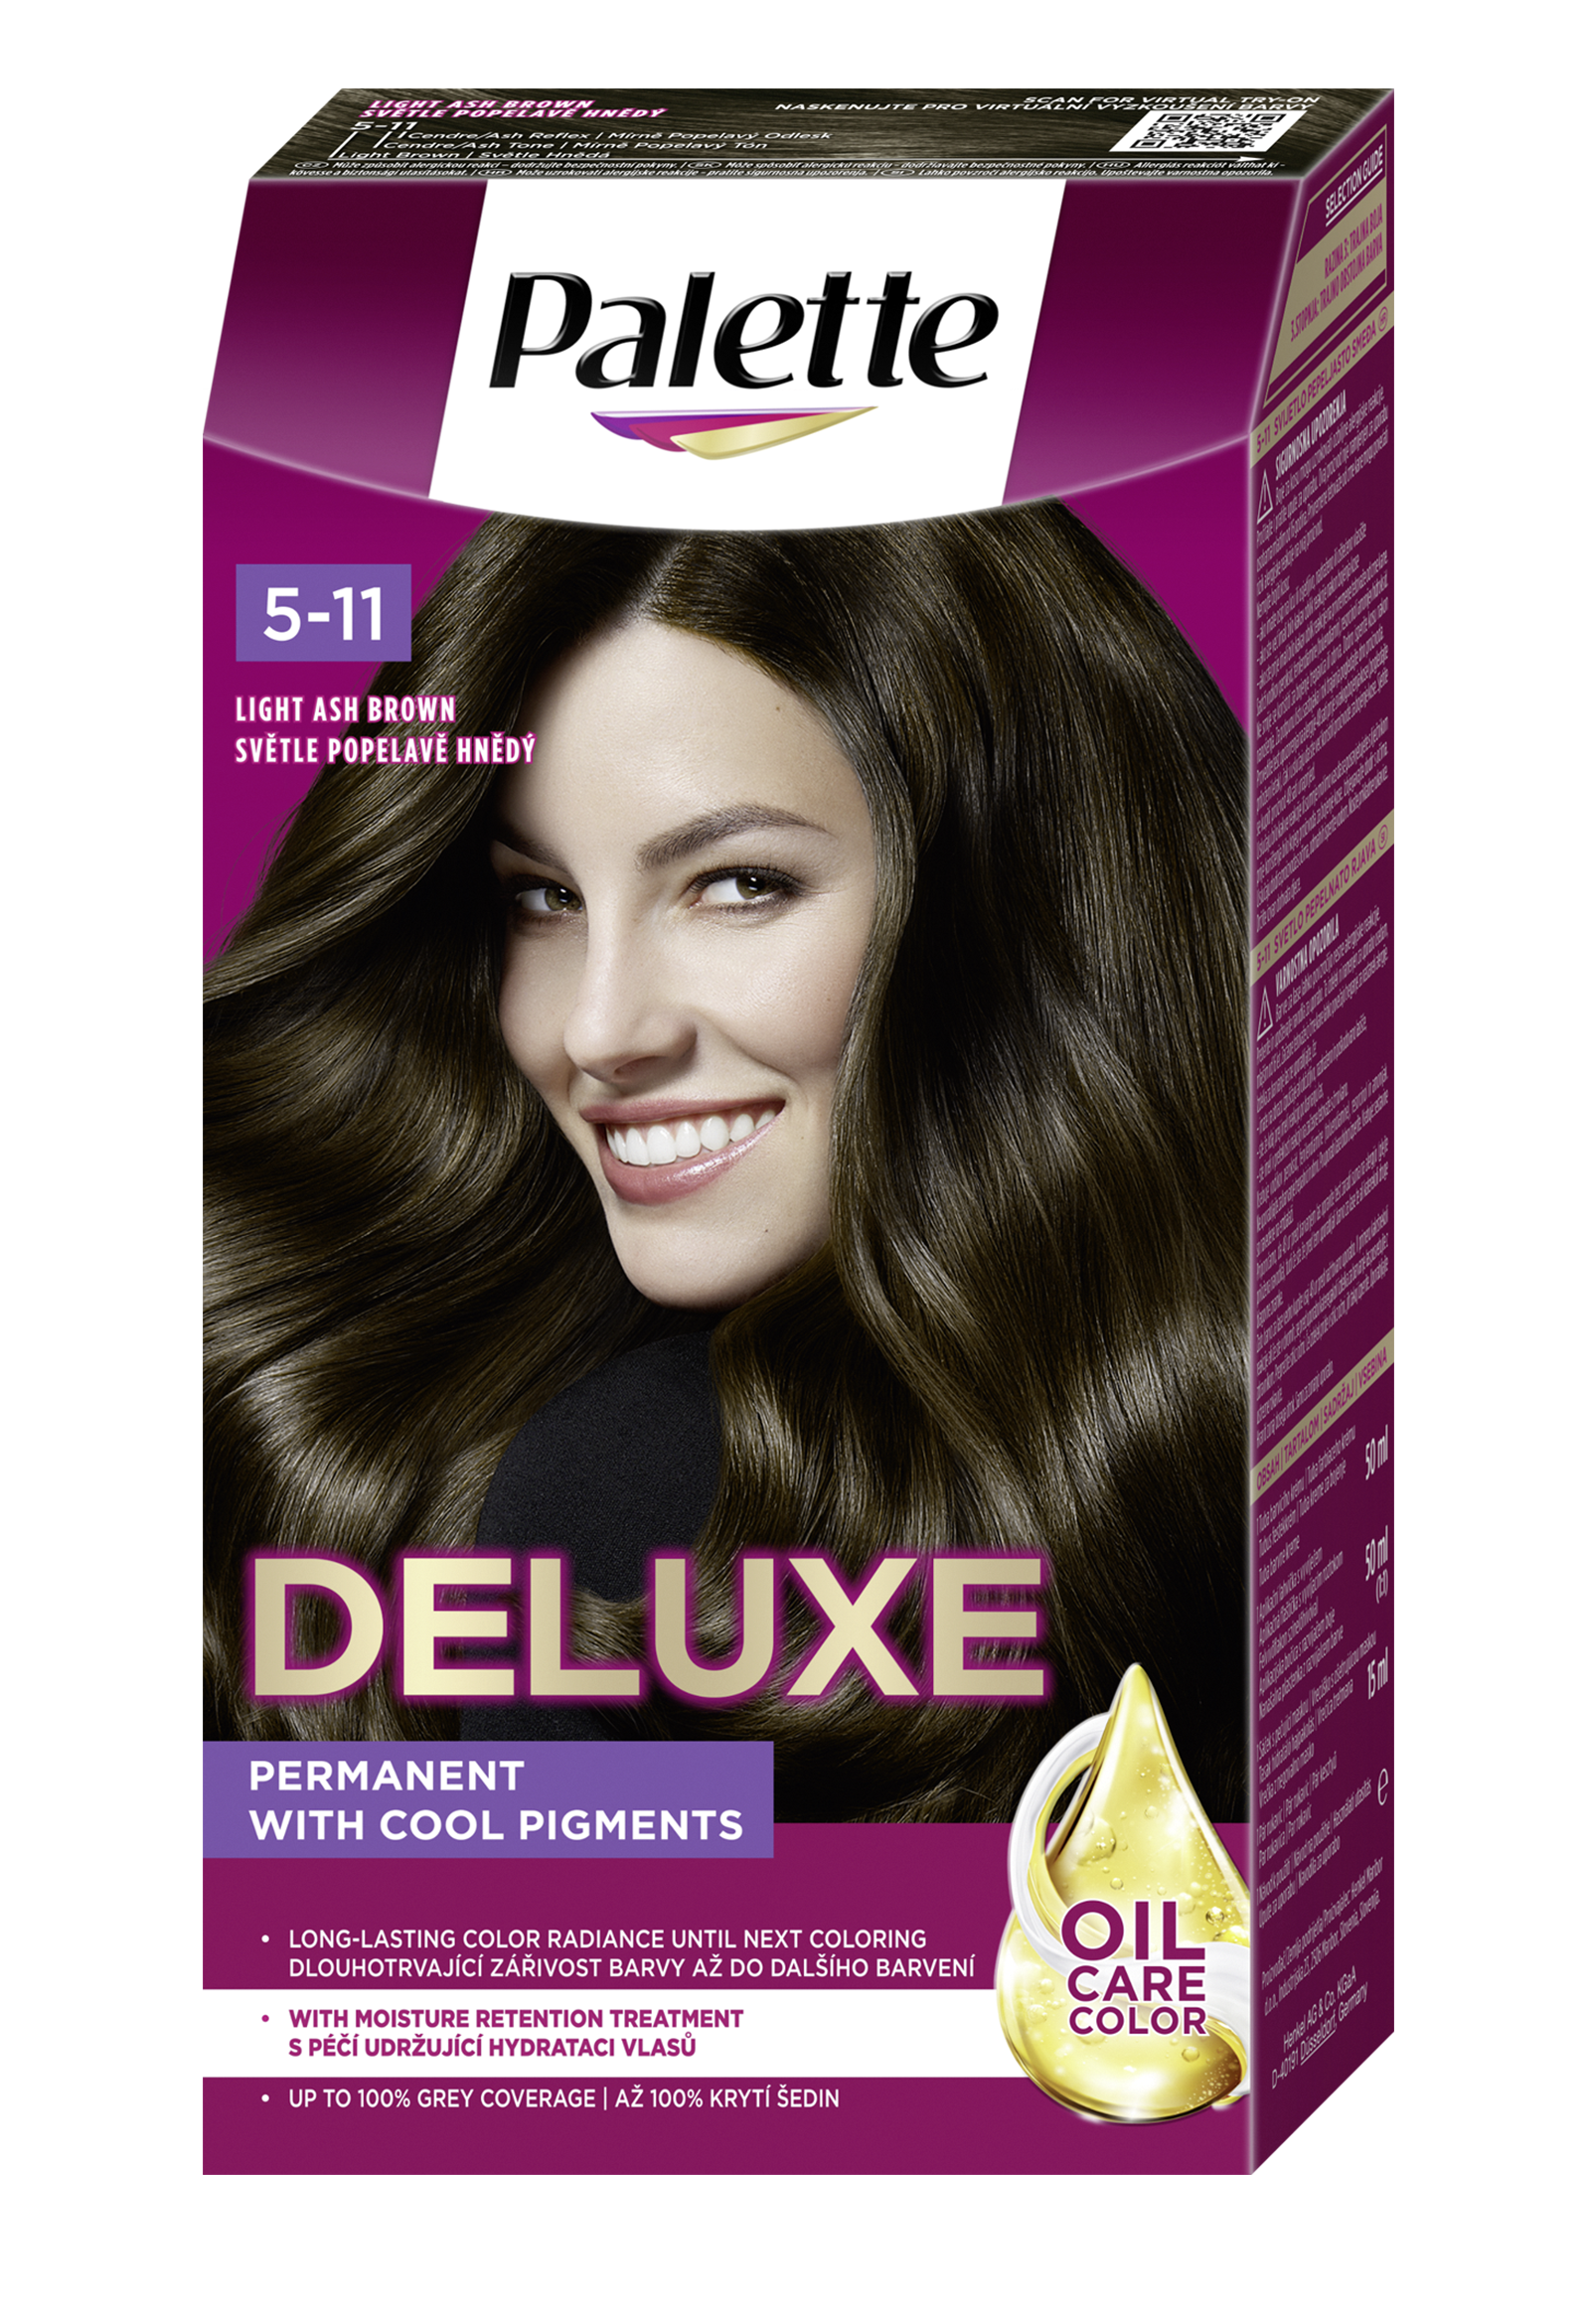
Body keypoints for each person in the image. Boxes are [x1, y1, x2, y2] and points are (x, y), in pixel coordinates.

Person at [205, 504, 1250, 1823]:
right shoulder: (1303, 1435)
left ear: (1026, 902)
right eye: (544, 897)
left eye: (739, 884)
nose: (598, 1031)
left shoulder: (641, 1491)